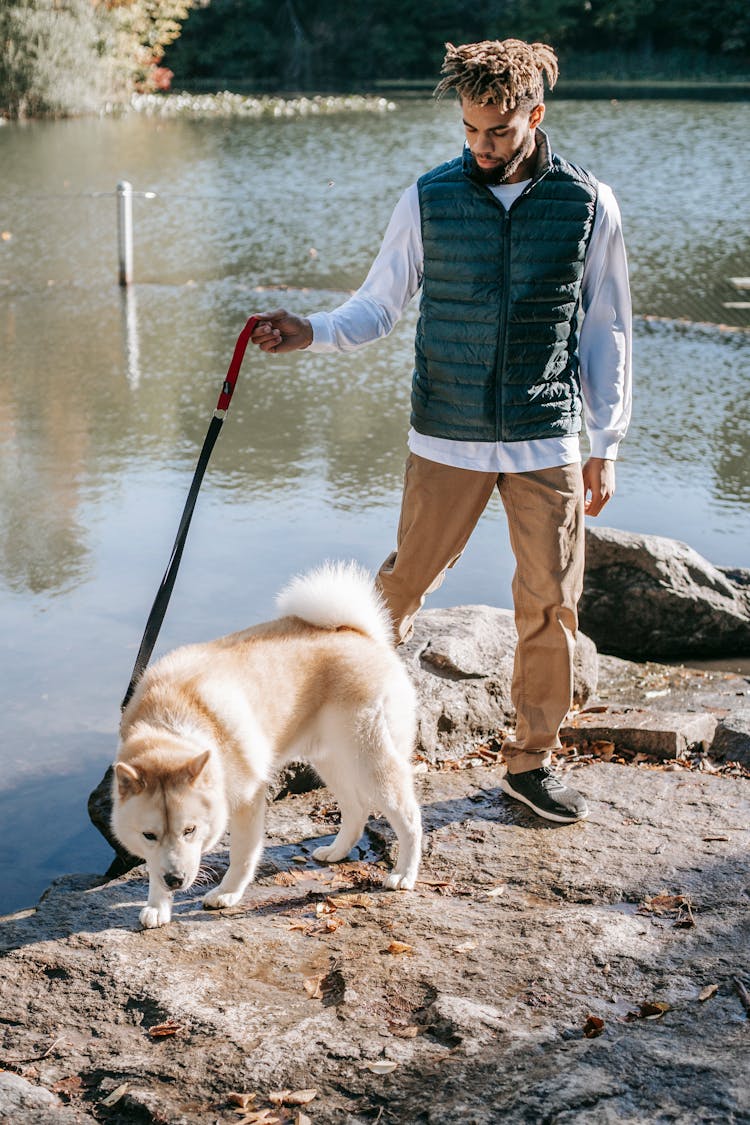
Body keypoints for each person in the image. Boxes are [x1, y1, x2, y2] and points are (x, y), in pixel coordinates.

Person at [249, 38, 632, 825]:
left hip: (546, 436)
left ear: (535, 114)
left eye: (497, 131)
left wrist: (607, 441)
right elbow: (378, 306)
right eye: (469, 131)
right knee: (394, 595)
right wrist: (310, 330)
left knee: (553, 605)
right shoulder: (427, 198)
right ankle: (342, 731)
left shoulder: (589, 203)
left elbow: (607, 330)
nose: (481, 147)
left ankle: (530, 763)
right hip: (446, 436)